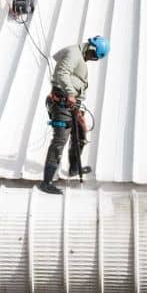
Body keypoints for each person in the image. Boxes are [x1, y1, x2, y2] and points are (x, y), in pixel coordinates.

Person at [39, 36, 109, 195]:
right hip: (62, 102)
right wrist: (70, 92)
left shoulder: (79, 56)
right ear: (91, 48)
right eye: (94, 56)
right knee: (60, 140)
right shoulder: (74, 53)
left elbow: (61, 60)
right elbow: (62, 72)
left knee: (80, 133)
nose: (92, 59)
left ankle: (74, 167)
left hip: (73, 104)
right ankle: (46, 182)